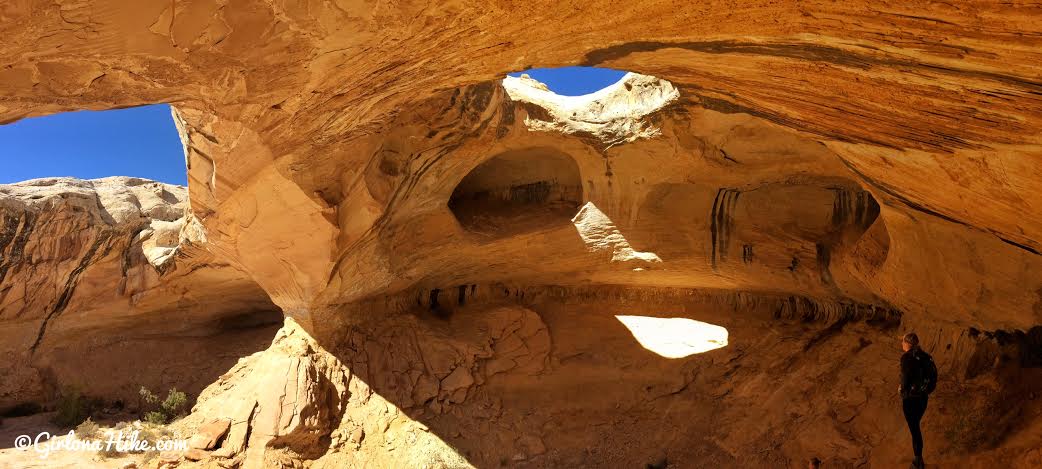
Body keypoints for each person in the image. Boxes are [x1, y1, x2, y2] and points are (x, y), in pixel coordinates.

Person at [899, 332, 937, 469]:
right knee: (915, 426)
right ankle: (918, 459)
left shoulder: (906, 358)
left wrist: (903, 392)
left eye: (903, 341)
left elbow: (905, 377)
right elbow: (933, 375)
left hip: (911, 399)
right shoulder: (926, 356)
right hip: (923, 398)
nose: (901, 344)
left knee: (914, 429)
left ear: (907, 343)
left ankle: (918, 461)